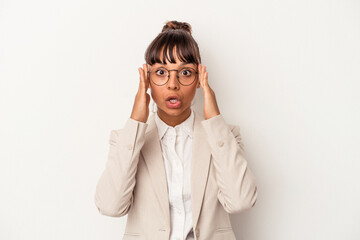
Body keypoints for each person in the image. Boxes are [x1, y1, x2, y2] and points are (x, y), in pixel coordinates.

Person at [94, 20, 258, 240]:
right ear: (147, 79)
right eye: (161, 72)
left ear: (199, 79)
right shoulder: (126, 140)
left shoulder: (225, 137)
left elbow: (241, 201)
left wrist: (214, 120)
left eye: (185, 73)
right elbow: (110, 207)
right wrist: (136, 122)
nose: (173, 84)